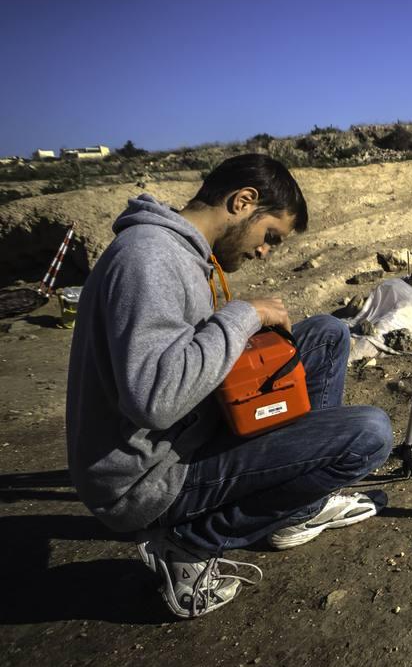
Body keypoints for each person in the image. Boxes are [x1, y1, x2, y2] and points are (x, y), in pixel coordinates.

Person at [66, 154, 393, 618]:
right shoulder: (150, 259)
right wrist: (244, 315)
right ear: (243, 201)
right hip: (149, 478)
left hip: (184, 434)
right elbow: (154, 401)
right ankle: (188, 544)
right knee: (369, 434)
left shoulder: (179, 253)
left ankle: (299, 509)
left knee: (326, 334)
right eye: (270, 237)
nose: (265, 251)